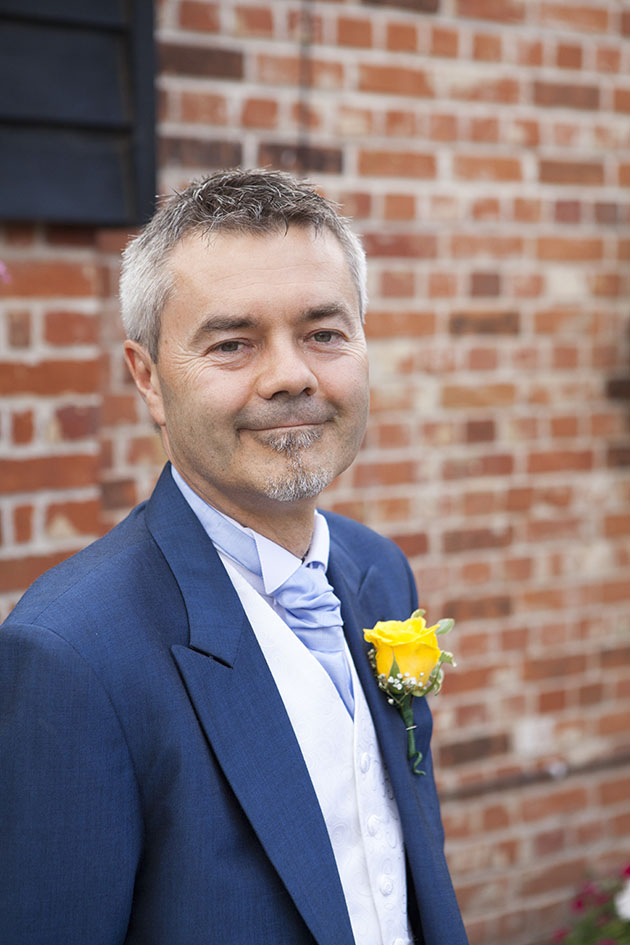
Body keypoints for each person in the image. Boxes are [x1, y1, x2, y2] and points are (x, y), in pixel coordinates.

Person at [0, 169, 468, 945]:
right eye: (232, 343)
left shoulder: (381, 571)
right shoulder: (69, 655)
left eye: (324, 332)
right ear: (147, 378)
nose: (291, 375)